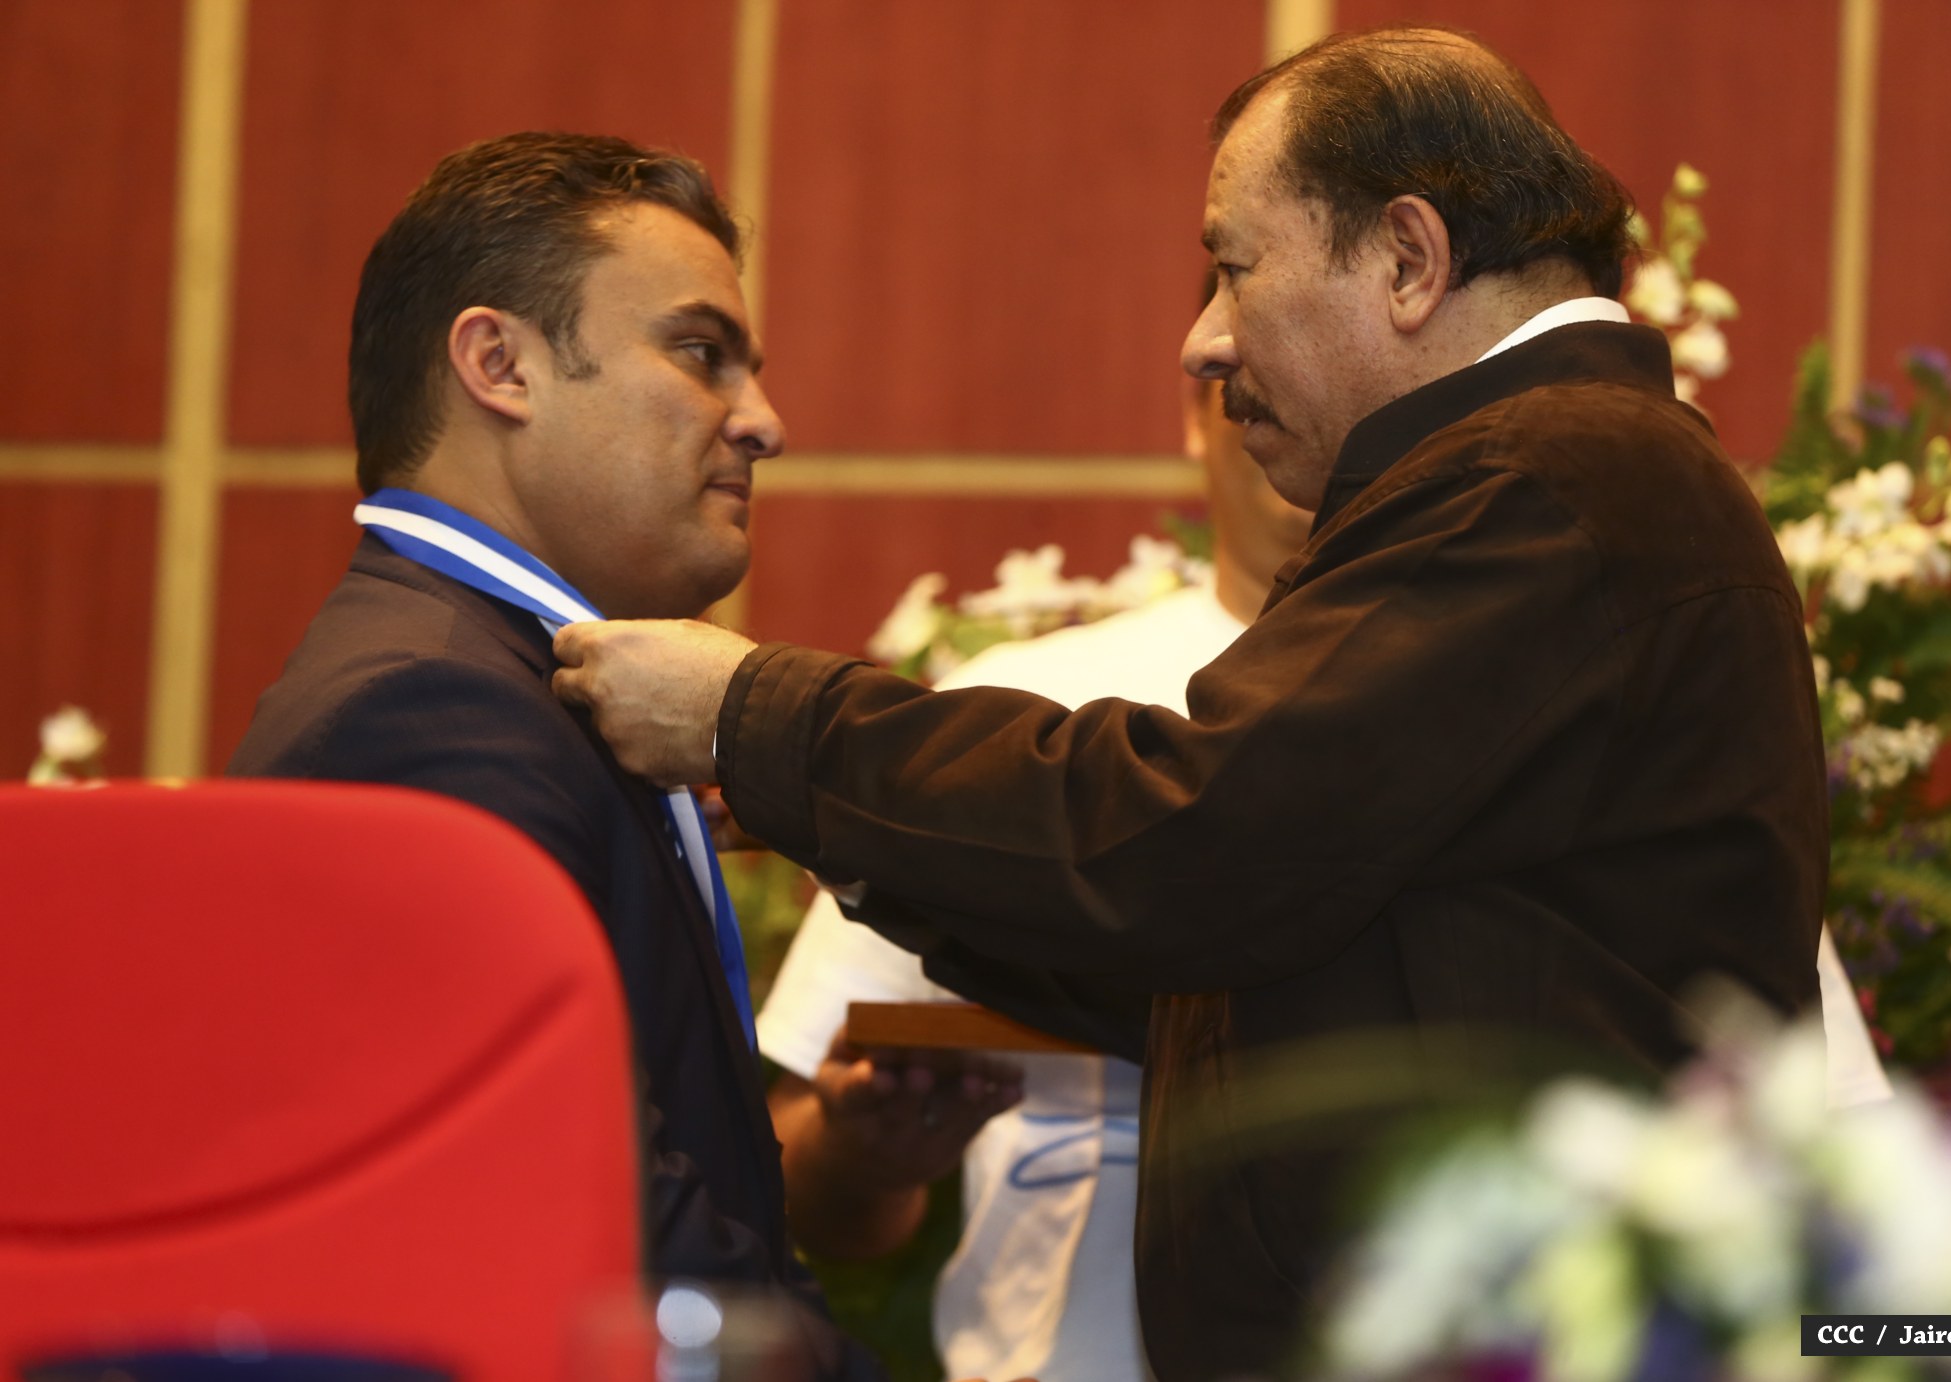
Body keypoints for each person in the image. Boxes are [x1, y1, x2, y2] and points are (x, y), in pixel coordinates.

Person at [554, 29, 1832, 1380]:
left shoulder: (1538, 475)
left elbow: (1193, 832)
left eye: (1235, 267)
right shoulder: (1564, 468)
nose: (1204, 340)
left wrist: (756, 715)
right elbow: (1256, 967)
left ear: (1408, 260)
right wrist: (823, 809)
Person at [226, 132, 882, 1382]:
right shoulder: (425, 714)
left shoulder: (513, 684)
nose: (764, 421)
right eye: (700, 352)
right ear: (500, 364)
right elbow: (599, 1230)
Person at [757, 346, 1312, 1382]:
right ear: (1198, 413)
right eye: (1259, 385)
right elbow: (807, 1185)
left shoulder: (1490, 719)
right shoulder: (1016, 706)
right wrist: (868, 1150)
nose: (1307, 415)